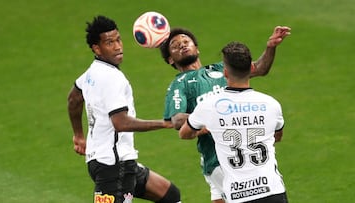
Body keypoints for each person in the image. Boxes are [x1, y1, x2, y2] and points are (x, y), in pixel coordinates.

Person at [160, 26, 290, 203]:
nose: (182, 45)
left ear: (197, 48)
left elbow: (259, 68)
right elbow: (177, 120)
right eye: (175, 46)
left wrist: (270, 47)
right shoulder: (180, 83)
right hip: (216, 160)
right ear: (170, 59)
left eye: (186, 41)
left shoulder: (223, 68)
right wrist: (210, 122)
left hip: (236, 158)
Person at [67, 15, 181, 203]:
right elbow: (120, 122)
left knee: (169, 194)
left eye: (118, 39)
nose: (118, 46)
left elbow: (73, 99)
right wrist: (165, 123)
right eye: (109, 43)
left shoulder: (91, 73)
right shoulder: (112, 78)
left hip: (107, 161)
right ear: (97, 48)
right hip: (114, 165)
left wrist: (78, 135)